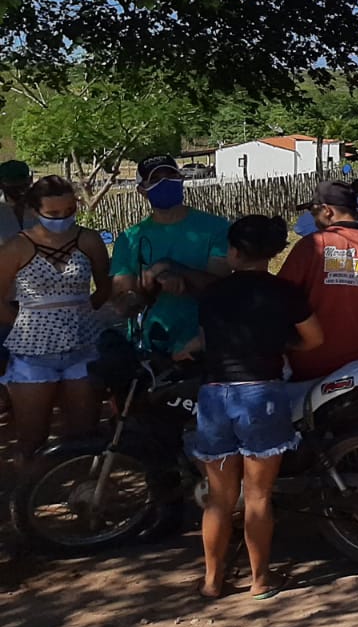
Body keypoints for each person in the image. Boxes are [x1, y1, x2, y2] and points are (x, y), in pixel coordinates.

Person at [185, 215, 323, 599]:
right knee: (258, 495)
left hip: (214, 396)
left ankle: (213, 581)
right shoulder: (284, 292)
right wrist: (282, 345)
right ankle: (260, 580)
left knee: (219, 498)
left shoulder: (212, 294)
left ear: (232, 251)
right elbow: (314, 338)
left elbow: (205, 341)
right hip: (261, 394)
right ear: (273, 252)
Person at [0, 176, 111, 455]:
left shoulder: (89, 239)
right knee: (31, 441)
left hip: (83, 348)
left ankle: (82, 496)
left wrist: (85, 314)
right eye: (53, 214)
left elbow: (104, 285)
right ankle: (27, 495)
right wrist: (24, 325)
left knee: (85, 439)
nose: (62, 218)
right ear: (35, 211)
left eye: (69, 211)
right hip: (32, 355)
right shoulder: (16, 246)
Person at [278, 181, 358, 380]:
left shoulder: (312, 246)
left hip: (311, 367)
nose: (314, 219)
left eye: (315, 212)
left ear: (327, 211)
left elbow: (279, 299)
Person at [111, 155, 230, 354]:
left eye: (171, 176)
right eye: (156, 180)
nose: (165, 183)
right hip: (149, 348)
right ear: (142, 191)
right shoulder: (129, 239)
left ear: (182, 179)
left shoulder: (216, 228)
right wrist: (150, 286)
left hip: (204, 344)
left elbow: (220, 291)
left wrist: (173, 268)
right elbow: (123, 307)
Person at [0, 160, 35, 243]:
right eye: (12, 181)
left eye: (22, 179)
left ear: (30, 180)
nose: (18, 185)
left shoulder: (44, 207)